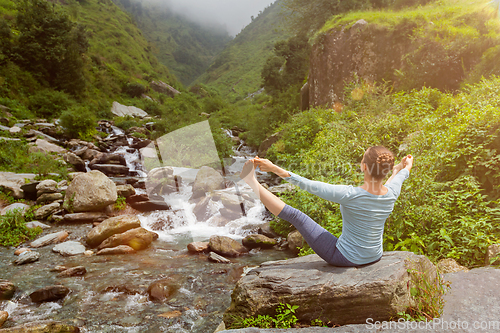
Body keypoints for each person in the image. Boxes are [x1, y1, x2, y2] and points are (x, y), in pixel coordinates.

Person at [240, 146, 413, 267]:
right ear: (386, 170)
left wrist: (273, 167)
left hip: (344, 258)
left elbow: (306, 184)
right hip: (375, 256)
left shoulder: (349, 194)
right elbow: (401, 176)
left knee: (297, 216)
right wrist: (401, 168)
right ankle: (251, 181)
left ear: (364, 167)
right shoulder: (391, 193)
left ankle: (251, 181)